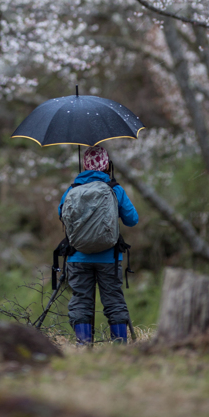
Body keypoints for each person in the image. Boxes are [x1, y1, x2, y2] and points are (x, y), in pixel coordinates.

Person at [58, 145, 139, 345]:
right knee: (113, 300)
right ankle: (120, 345)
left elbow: (61, 215)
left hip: (78, 257)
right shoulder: (114, 189)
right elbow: (132, 219)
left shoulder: (72, 189)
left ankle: (83, 344)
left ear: (85, 165)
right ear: (106, 165)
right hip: (109, 257)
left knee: (81, 300)